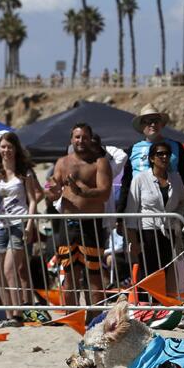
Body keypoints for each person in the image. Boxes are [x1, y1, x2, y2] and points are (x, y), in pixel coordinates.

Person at [46, 123, 113, 305]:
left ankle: (95, 319)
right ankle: (72, 318)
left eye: (84, 137)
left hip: (91, 224)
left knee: (94, 275)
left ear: (90, 139)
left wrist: (81, 192)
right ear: (71, 139)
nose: (80, 141)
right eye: (77, 137)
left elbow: (105, 192)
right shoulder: (62, 162)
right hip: (67, 224)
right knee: (68, 275)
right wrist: (50, 189)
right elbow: (52, 187)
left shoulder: (100, 162)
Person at [0, 131, 43, 325]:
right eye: (2, 147)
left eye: (9, 147)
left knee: (10, 270)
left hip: (19, 224)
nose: (6, 150)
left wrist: (30, 224)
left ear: (16, 149)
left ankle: (17, 313)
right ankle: (8, 314)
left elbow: (33, 199)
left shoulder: (25, 171)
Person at [125, 139, 184, 293]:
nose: (164, 157)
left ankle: (163, 307)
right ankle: (147, 308)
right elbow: (131, 211)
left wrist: (177, 218)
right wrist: (133, 241)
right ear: (152, 158)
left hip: (169, 231)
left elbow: (183, 201)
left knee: (167, 270)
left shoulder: (176, 178)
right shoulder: (140, 179)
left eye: (167, 154)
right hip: (147, 231)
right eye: (160, 154)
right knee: (149, 272)